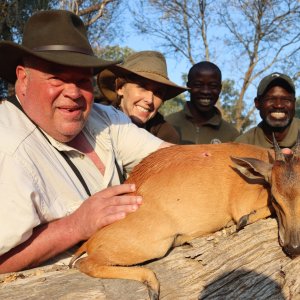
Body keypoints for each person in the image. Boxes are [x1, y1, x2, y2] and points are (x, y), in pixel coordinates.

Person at [0, 10, 171, 274]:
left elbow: (174, 158)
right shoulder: (8, 148)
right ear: (23, 79)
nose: (73, 92)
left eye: (82, 80)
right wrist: (76, 225)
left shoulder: (106, 119)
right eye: (57, 77)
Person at [97, 51, 187, 143]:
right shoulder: (94, 119)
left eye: (158, 93)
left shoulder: (166, 136)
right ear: (120, 87)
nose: (149, 100)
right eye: (142, 87)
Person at [166, 61, 239, 144]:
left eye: (213, 86)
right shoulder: (167, 124)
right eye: (198, 85)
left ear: (220, 89)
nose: (205, 91)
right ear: (189, 87)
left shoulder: (232, 135)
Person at [235, 72, 298, 149]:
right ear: (257, 103)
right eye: (270, 99)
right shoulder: (243, 145)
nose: (278, 105)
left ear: (294, 103)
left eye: (286, 100)